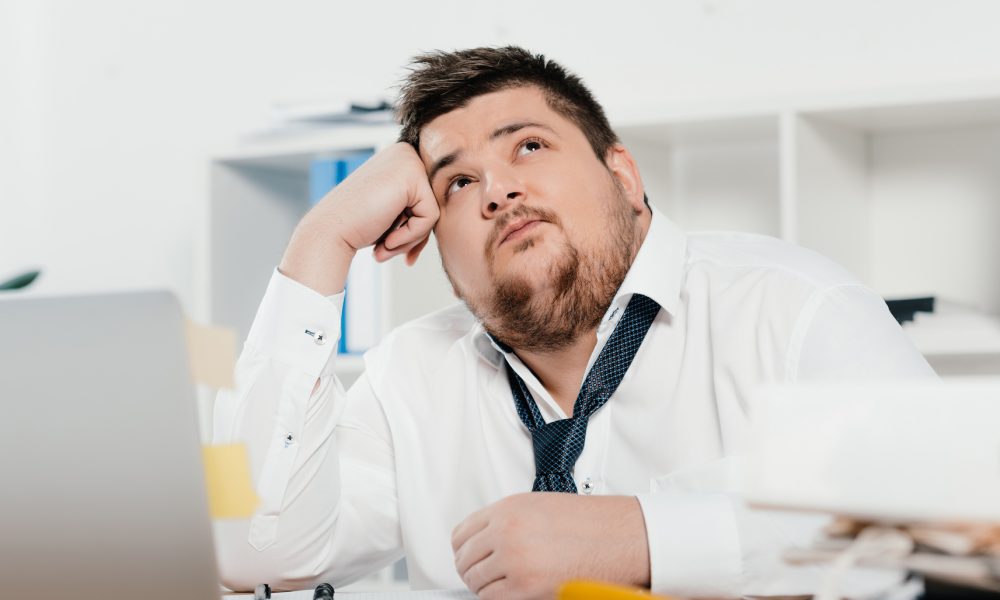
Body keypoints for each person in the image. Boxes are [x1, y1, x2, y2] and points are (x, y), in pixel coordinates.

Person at [213, 46, 935, 599]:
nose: (497, 190)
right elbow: (250, 550)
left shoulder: (793, 307)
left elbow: (953, 529)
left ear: (622, 174)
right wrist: (321, 241)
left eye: (527, 145)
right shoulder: (411, 377)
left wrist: (647, 539)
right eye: (457, 183)